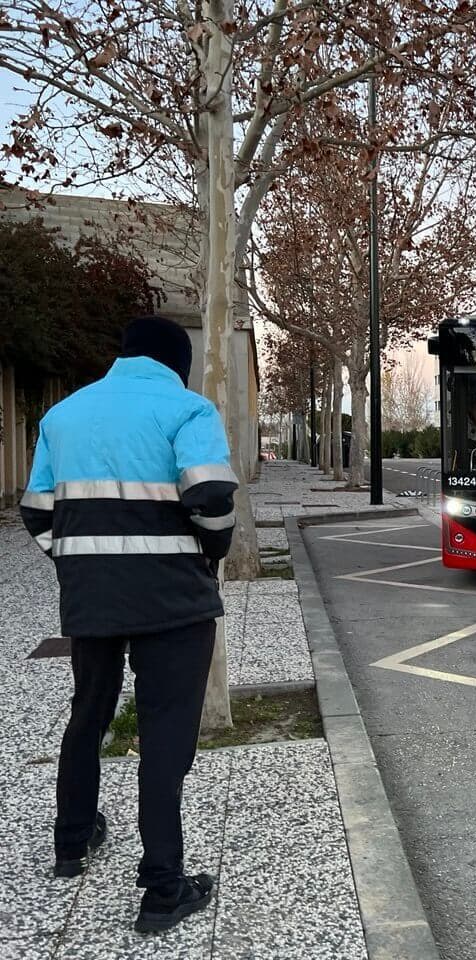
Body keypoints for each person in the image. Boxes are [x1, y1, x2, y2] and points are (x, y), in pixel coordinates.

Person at [20, 315, 237, 935]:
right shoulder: (188, 410)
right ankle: (164, 888)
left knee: (88, 710)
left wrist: (77, 559)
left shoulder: (61, 417)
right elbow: (212, 495)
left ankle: (72, 840)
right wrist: (209, 555)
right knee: (165, 734)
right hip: (173, 601)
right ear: (177, 362)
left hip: (93, 599)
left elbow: (37, 511)